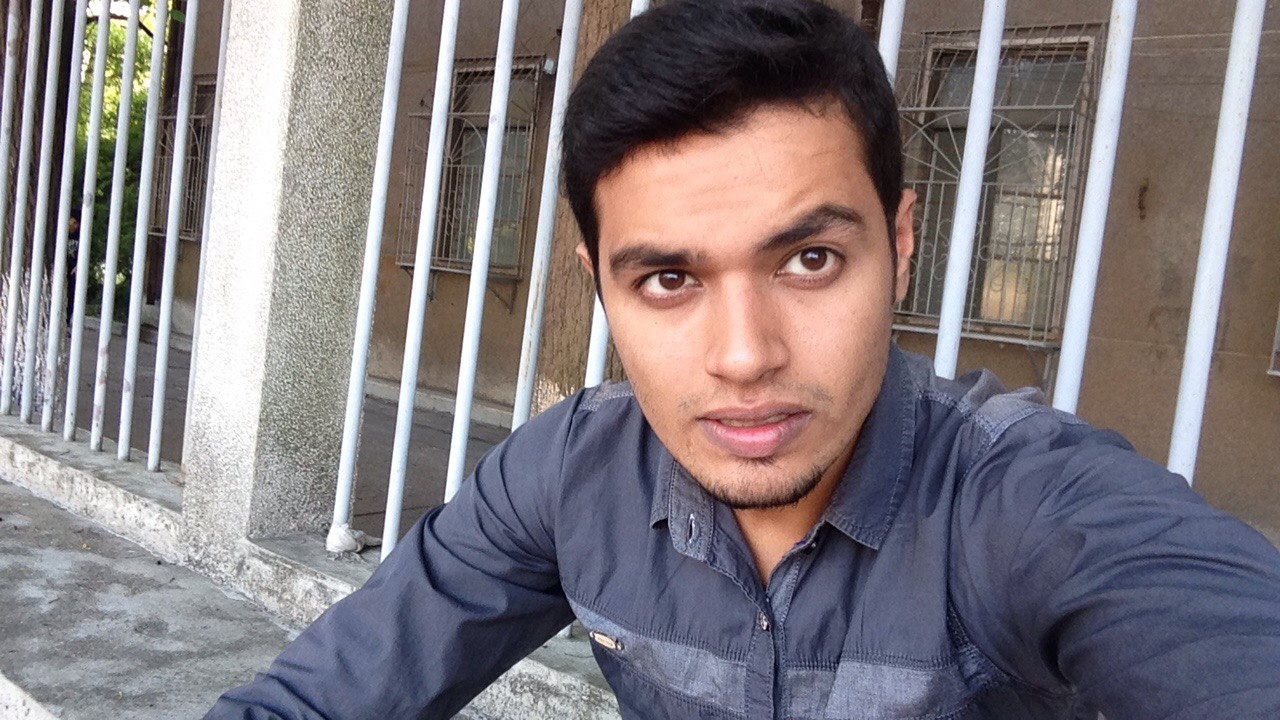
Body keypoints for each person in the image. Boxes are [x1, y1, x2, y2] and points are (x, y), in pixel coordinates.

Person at [208, 1, 1280, 717]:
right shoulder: (569, 477)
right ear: (600, 285)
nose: (742, 355)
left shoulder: (1024, 507)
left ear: (900, 243)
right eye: (668, 279)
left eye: (809, 259)